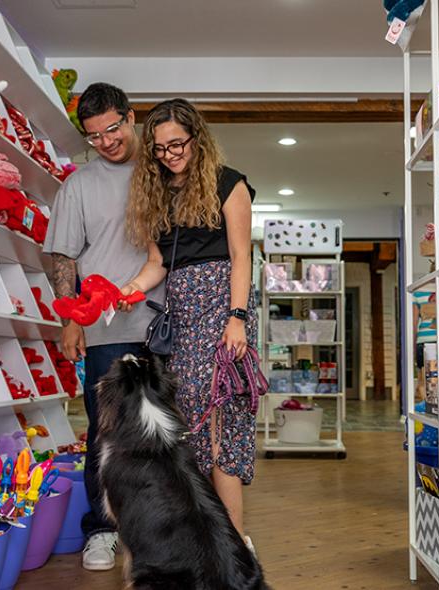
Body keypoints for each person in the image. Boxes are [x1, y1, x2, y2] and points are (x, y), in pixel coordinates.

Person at [120, 98, 257, 549]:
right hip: (183, 317)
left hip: (221, 310)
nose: (169, 154)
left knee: (220, 421)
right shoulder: (160, 191)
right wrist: (129, 290)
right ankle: (206, 538)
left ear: (196, 138)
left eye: (176, 144)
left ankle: (234, 543)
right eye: (159, 149)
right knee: (191, 423)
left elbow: (241, 257)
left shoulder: (228, 183)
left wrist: (236, 319)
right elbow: (158, 262)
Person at [43, 82, 162, 571]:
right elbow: (61, 254)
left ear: (130, 117)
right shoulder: (79, 185)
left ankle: (157, 527)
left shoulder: (162, 169)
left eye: (112, 129)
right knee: (105, 433)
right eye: (94, 136)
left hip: (163, 328)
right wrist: (71, 319)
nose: (106, 141)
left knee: (162, 434)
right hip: (106, 332)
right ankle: (102, 530)